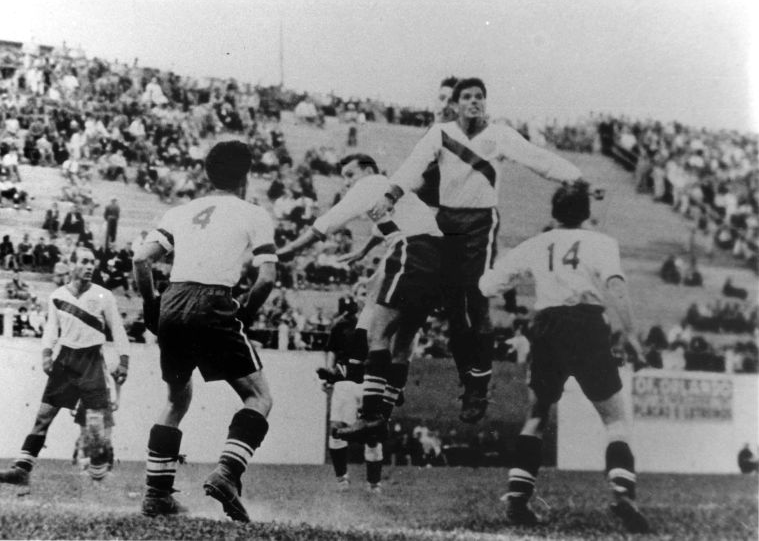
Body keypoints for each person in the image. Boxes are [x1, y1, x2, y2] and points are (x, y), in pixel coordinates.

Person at [370, 77, 581, 423]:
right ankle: (470, 381)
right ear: (454, 104)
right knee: (455, 309)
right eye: (467, 97)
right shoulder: (441, 133)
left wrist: (575, 178)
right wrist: (391, 194)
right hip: (448, 222)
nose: (474, 102)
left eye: (479, 97)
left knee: (476, 295)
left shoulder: (499, 135)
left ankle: (479, 388)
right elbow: (414, 165)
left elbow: (537, 158)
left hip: (481, 222)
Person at [478, 180, 649, 533]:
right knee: (615, 419)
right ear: (586, 213)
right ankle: (623, 493)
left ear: (554, 212)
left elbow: (488, 285)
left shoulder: (538, 243)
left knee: (537, 416)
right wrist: (631, 333)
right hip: (586, 325)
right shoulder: (601, 242)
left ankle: (518, 498)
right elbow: (616, 287)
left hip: (547, 327)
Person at [132, 140, 278, 521]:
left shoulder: (180, 211)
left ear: (207, 173)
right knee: (259, 397)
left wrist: (152, 305)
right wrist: (242, 313)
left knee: (177, 398)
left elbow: (141, 259)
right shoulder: (253, 213)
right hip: (213, 301)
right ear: (246, 175)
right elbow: (266, 278)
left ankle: (156, 495)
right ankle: (228, 473)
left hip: (173, 301)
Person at [277, 153, 442, 448]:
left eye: (350, 175)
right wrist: (363, 252)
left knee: (379, 332)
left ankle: (368, 409)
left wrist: (288, 250)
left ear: (367, 171)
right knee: (401, 342)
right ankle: (381, 414)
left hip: (412, 252)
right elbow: (383, 227)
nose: (347, 182)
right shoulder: (392, 191)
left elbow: (326, 224)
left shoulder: (370, 184)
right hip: (437, 258)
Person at [0, 247, 130, 487]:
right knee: (43, 417)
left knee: (96, 428)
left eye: (92, 263)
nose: (89, 267)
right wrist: (46, 354)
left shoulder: (103, 296)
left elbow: (118, 330)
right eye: (84, 262)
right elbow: (50, 330)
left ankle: (99, 473)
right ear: (72, 263)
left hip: (92, 363)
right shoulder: (57, 295)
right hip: (65, 361)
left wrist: (124, 362)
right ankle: (21, 470)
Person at [318, 307, 386, 493]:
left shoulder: (383, 319)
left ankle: (374, 484)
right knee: (337, 430)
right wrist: (328, 376)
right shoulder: (342, 325)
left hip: (371, 382)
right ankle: (342, 479)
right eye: (360, 292)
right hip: (344, 382)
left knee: (372, 435)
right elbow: (331, 350)